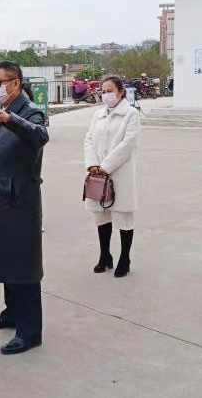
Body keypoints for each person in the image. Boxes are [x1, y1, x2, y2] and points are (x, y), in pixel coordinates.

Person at [0, 61, 49, 355]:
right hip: (1, 197)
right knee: (7, 259)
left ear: (15, 83)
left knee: (24, 267)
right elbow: (2, 147)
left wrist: (12, 120)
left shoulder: (27, 111)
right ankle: (12, 312)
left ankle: (30, 332)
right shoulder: (4, 111)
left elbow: (40, 136)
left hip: (20, 201)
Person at [84, 75, 140, 277]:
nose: (106, 95)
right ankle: (105, 255)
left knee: (123, 217)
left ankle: (125, 258)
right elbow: (89, 139)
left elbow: (128, 144)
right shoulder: (98, 115)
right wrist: (92, 164)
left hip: (119, 173)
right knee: (101, 215)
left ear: (121, 92)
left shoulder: (131, 114)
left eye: (110, 91)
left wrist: (106, 166)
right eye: (103, 91)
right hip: (98, 174)